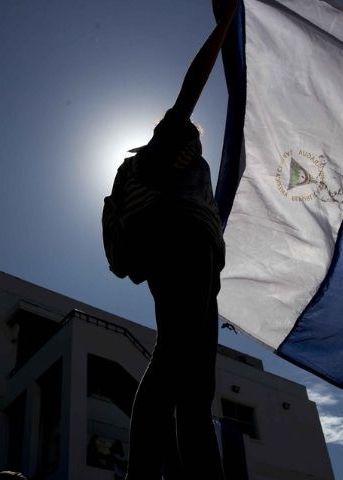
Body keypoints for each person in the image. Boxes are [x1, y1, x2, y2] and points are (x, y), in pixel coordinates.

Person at [122, 1, 238, 479]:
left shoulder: (191, 173)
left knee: (195, 385)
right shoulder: (168, 141)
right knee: (175, 363)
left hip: (194, 260)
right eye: (192, 134)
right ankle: (145, 473)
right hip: (181, 251)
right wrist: (227, 22)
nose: (196, 142)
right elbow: (194, 83)